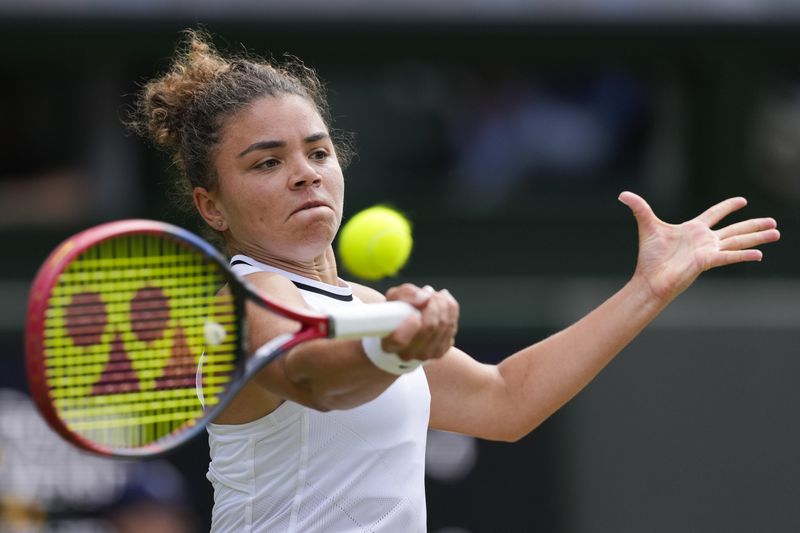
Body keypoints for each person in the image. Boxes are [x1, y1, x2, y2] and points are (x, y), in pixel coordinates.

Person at [127, 29, 780, 533]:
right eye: (267, 162)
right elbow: (311, 378)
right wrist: (395, 349)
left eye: (318, 151)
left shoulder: (370, 305)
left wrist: (650, 286)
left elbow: (505, 401)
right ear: (212, 205)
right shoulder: (242, 298)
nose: (306, 173)